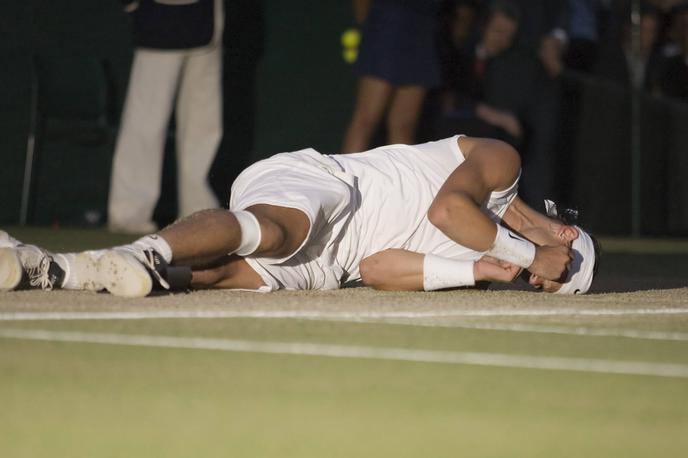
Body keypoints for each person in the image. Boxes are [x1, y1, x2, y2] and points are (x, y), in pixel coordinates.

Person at [0, 136, 598, 297]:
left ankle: (50, 268)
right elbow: (449, 210)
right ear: (563, 239)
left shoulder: (491, 256)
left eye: (543, 283)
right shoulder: (502, 162)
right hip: (324, 187)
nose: (533, 279)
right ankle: (145, 250)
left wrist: (484, 272)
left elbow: (377, 266)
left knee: (214, 278)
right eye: (551, 273)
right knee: (286, 232)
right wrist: (525, 255)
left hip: (334, 263)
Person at [107, 0, 224, 233]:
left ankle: (198, 212)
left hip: (207, 21)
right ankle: (129, 215)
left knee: (203, 125)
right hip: (160, 18)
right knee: (146, 124)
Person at [342, 0, 443, 152]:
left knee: (403, 127)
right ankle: (343, 175)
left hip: (423, 27)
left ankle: (401, 175)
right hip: (387, 24)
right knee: (366, 121)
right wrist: (370, 25)